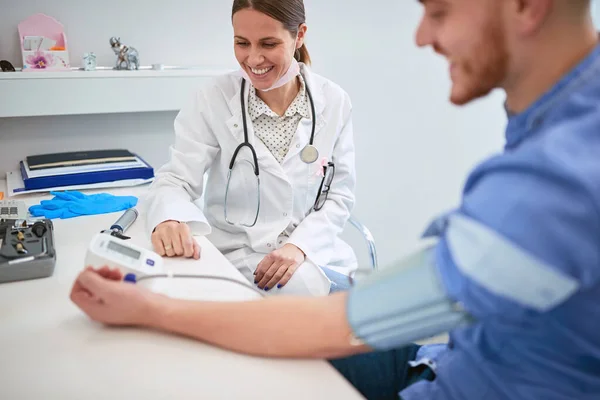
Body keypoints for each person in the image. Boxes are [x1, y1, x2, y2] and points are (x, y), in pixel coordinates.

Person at [70, 0, 600, 399]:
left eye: (438, 11)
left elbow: (354, 312)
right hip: (438, 355)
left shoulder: (554, 181)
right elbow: (176, 179)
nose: (420, 36)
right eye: (241, 43)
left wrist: (149, 308)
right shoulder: (563, 118)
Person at [142, 0, 358, 296]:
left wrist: (299, 246)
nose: (254, 59)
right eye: (242, 43)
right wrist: (168, 218)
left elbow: (339, 195)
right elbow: (176, 179)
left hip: (311, 252)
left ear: (300, 35)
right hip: (239, 256)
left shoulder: (333, 101)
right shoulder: (213, 99)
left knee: (347, 300)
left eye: (268, 44)